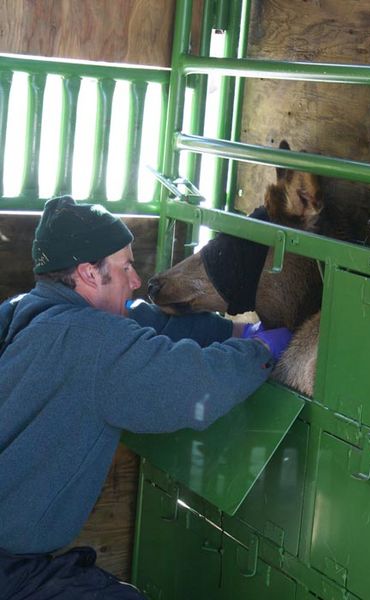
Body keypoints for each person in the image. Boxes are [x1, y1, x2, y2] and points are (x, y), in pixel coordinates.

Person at [0, 196, 292, 599]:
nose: (136, 280)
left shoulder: (23, 310)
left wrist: (230, 333)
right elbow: (193, 387)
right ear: (88, 273)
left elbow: (136, 317)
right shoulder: (93, 344)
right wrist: (259, 353)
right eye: (125, 268)